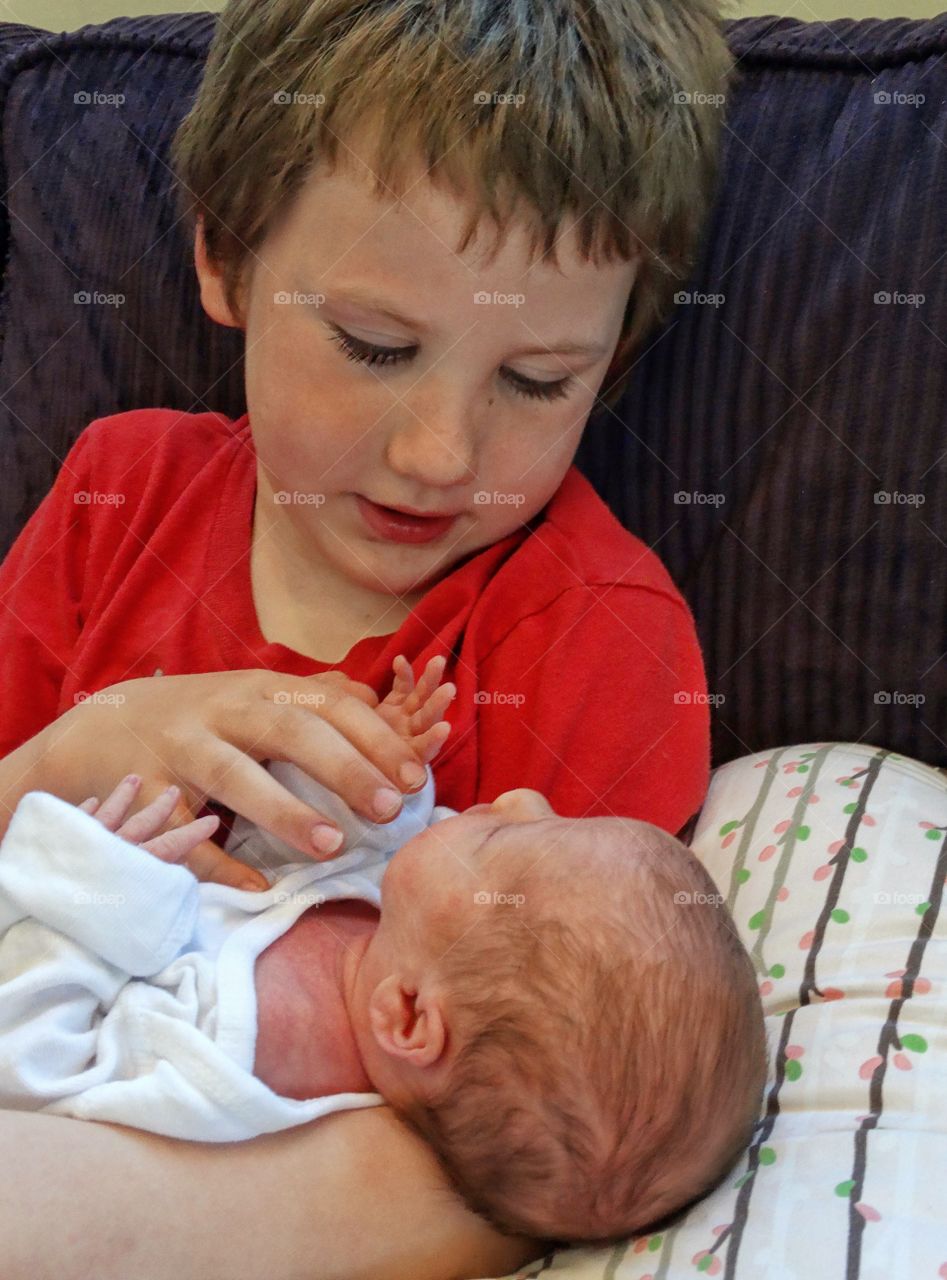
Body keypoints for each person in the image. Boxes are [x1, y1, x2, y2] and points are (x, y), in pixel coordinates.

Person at [0, 0, 735, 1273]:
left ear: (611, 362)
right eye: (374, 345)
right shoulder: (116, 499)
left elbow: (568, 1132)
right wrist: (75, 752)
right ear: (225, 260)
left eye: (536, 380)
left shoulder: (592, 638)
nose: (438, 453)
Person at [0, 661, 765, 1248]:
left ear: (409, 1017)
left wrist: (88, 898)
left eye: (500, 837)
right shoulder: (394, 952)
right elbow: (295, 871)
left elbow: (32, 1066)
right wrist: (366, 791)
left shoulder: (240, 1062)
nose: (518, 798)